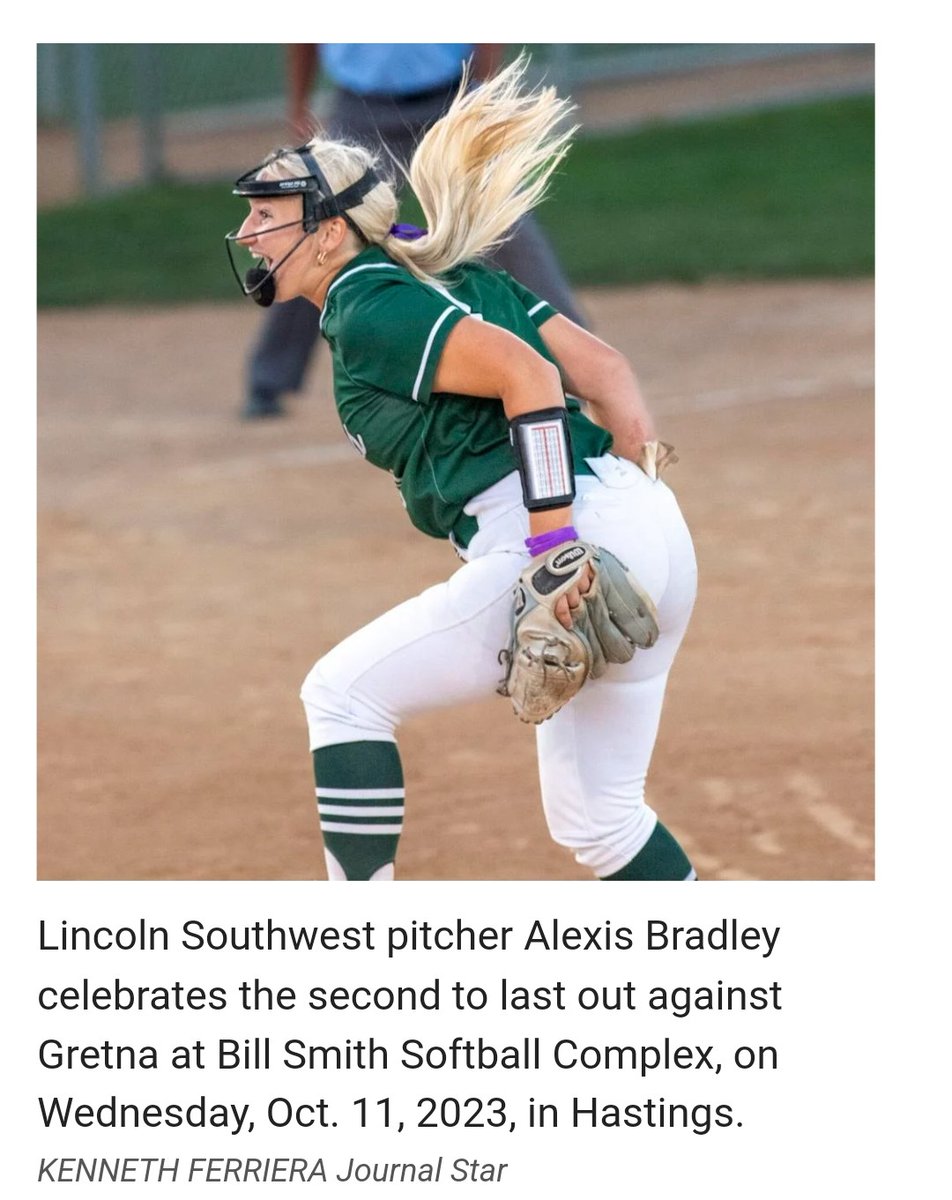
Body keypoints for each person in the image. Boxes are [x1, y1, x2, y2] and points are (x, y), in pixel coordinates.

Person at [226, 56, 698, 881]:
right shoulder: (449, 274)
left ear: (329, 233)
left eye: (267, 215)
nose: (247, 233)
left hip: (557, 539)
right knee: (603, 821)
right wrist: (633, 509)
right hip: (646, 525)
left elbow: (531, 378)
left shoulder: (369, 303)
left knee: (343, 695)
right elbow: (608, 371)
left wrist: (557, 551)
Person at [242, 43, 588, 418]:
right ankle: (269, 378)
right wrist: (299, 105)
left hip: (450, 99)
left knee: (508, 226)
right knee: (315, 231)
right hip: (360, 110)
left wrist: (485, 92)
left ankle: (579, 362)